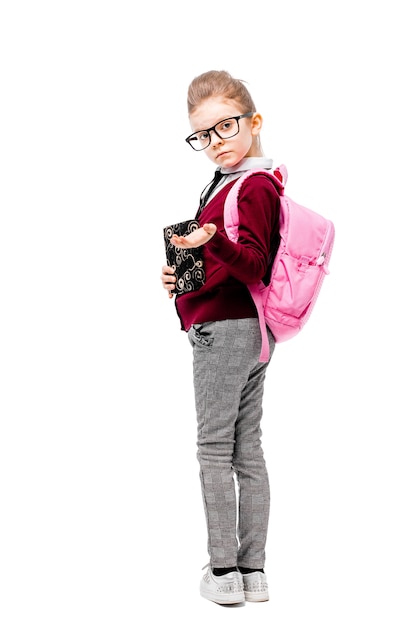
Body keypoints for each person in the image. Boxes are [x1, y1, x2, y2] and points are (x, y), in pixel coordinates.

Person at [160, 70, 280, 605]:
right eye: (203, 135)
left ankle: (224, 571)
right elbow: (227, 261)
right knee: (245, 448)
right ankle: (253, 574)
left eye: (226, 127)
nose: (216, 143)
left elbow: (252, 264)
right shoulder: (238, 183)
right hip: (251, 332)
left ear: (253, 123)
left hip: (225, 331)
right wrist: (183, 275)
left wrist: (214, 243)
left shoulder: (251, 185)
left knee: (215, 448)